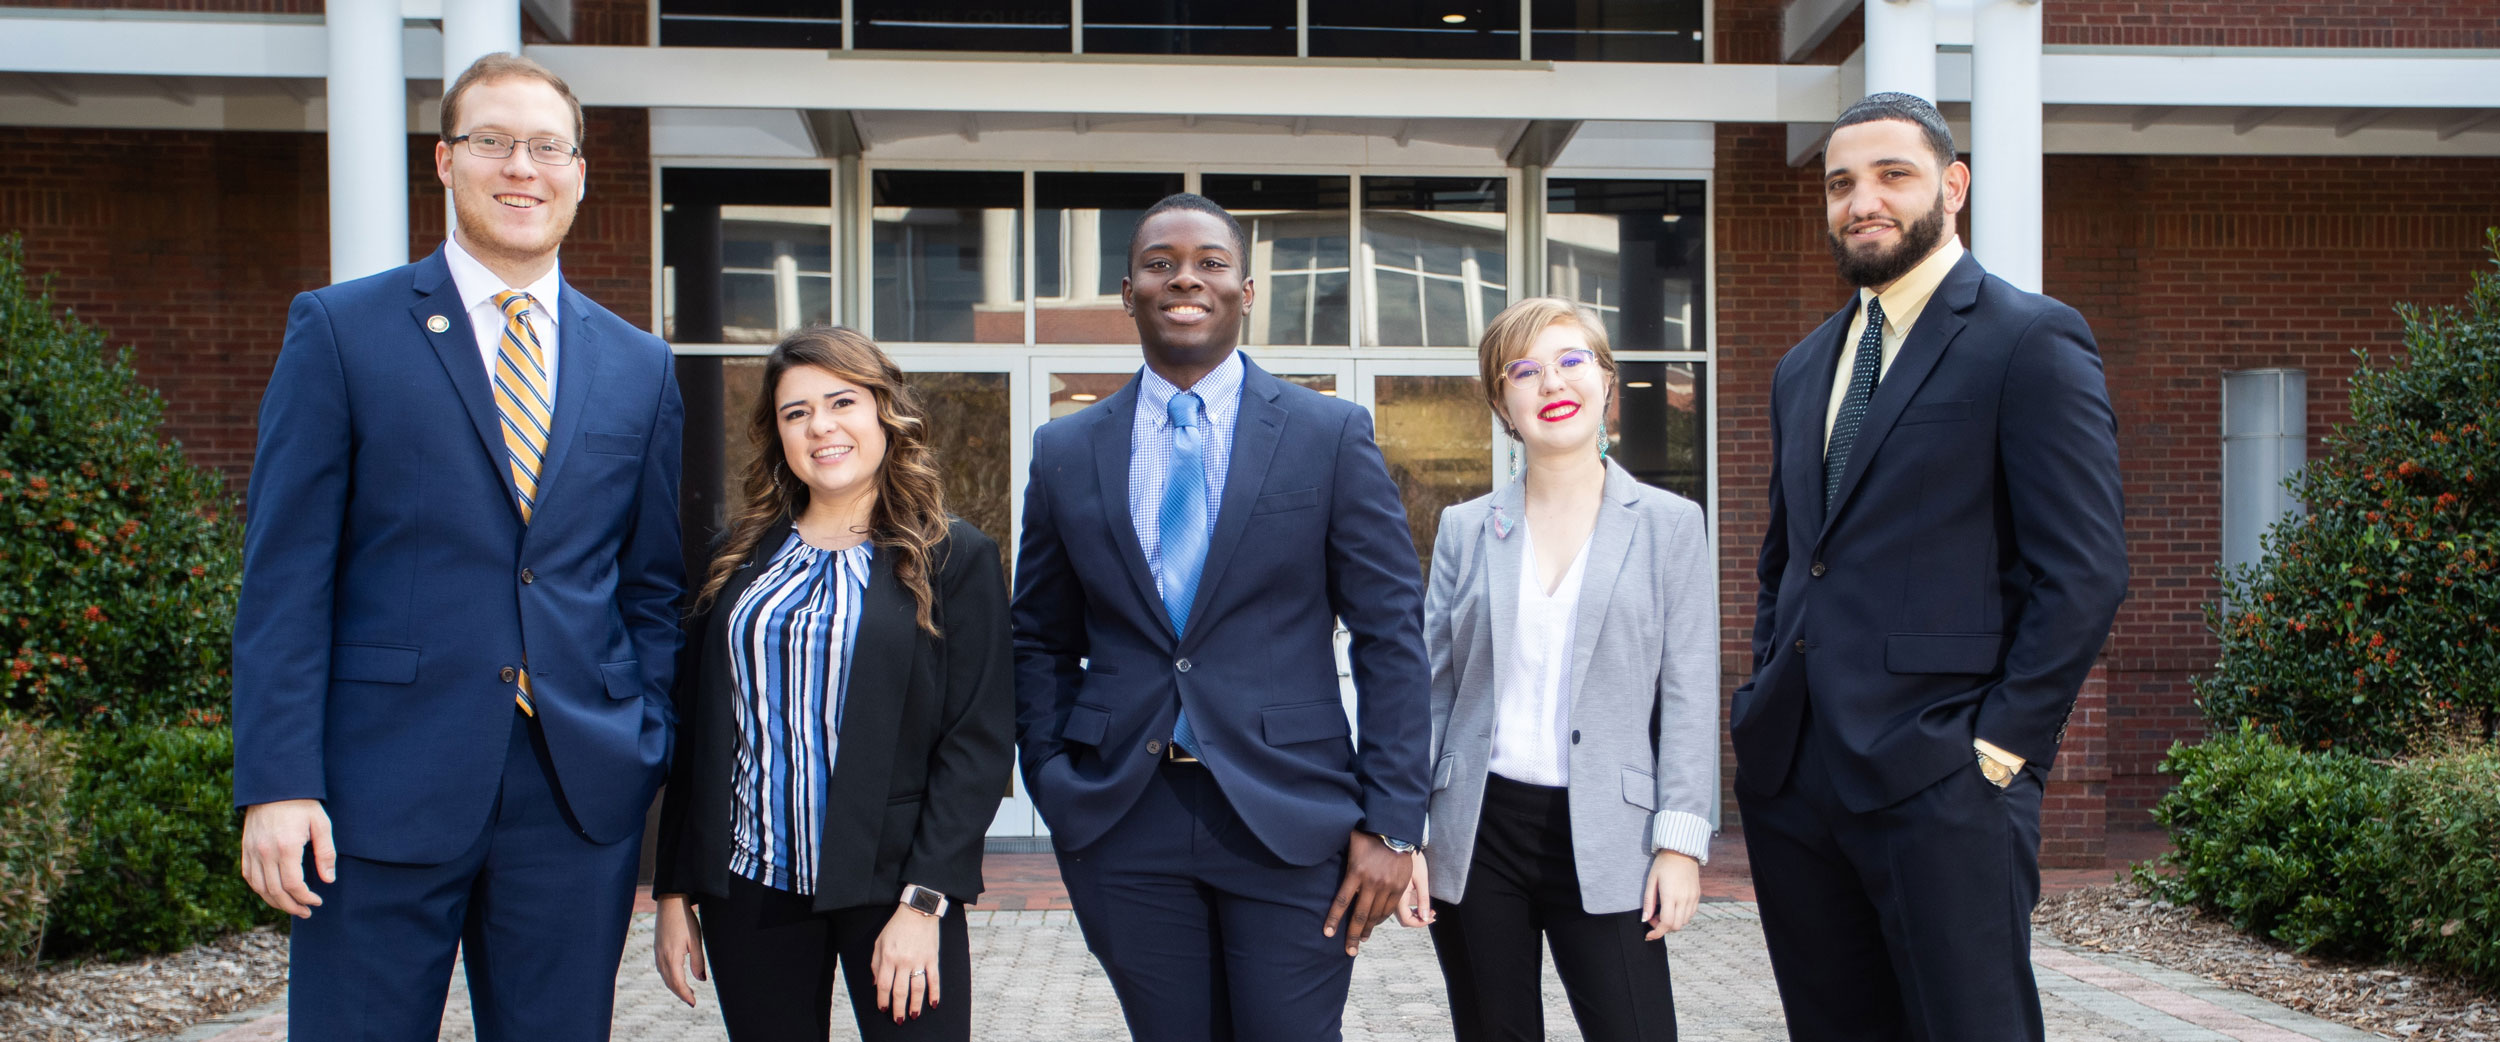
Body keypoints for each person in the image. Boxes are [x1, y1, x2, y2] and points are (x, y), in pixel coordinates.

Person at [231, 53, 684, 1039]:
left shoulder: (640, 367)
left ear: (578, 171)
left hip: (572, 797)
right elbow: (285, 577)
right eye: (493, 141)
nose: (522, 167)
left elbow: (649, 585)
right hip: (375, 791)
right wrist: (277, 780)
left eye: (547, 146)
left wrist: (640, 730)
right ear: (444, 161)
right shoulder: (342, 332)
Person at [1731, 91, 2129, 1041]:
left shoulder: (2029, 339)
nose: (1861, 200)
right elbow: (1789, 562)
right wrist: (1761, 707)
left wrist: (1999, 751)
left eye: (1891, 176)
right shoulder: (1804, 366)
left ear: (1952, 185)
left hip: (1947, 779)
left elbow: (2084, 569)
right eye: (1841, 184)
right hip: (1798, 783)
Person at [1009, 192, 1431, 1042]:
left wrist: (1393, 822)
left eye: (1209, 263)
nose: (1184, 279)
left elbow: (1392, 636)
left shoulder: (1329, 434)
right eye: (1160, 264)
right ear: (1128, 293)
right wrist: (1056, 781)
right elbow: (1038, 637)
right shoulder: (1067, 450)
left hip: (1289, 813)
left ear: (1246, 289)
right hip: (1125, 814)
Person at [648, 326, 1012, 1040]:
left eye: (842, 402)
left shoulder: (951, 556)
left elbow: (977, 741)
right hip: (749, 885)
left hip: (893, 885)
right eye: (796, 412)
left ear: (884, 412)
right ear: (778, 433)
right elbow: (700, 728)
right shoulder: (738, 558)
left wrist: (925, 901)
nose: (821, 426)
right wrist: (675, 885)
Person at [1405, 297, 1717, 1042]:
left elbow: (1689, 694)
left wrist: (1680, 844)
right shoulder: (1467, 528)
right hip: (1477, 832)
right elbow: (1430, 692)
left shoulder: (1672, 526)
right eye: (1526, 371)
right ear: (1502, 403)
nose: (1552, 384)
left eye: (1572, 362)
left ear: (1606, 383)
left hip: (1613, 834)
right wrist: (1406, 832)